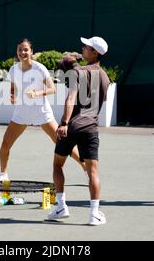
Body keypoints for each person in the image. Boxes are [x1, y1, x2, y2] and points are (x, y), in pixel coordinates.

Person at [0, 39, 86, 182]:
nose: (22, 52)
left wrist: (36, 93)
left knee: (62, 143)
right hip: (21, 113)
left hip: (41, 112)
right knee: (5, 144)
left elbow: (52, 89)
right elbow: (13, 87)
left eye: (25, 50)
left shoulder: (39, 68)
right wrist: (12, 95)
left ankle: (85, 166)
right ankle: (3, 174)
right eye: (20, 50)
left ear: (31, 51)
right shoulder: (13, 69)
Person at [47, 36, 109, 226]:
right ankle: (94, 214)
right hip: (91, 128)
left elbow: (71, 98)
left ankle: (60, 206)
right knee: (92, 172)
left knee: (58, 165)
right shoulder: (106, 77)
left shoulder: (77, 72)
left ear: (95, 52)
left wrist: (64, 122)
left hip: (72, 125)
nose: (83, 47)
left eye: (87, 47)